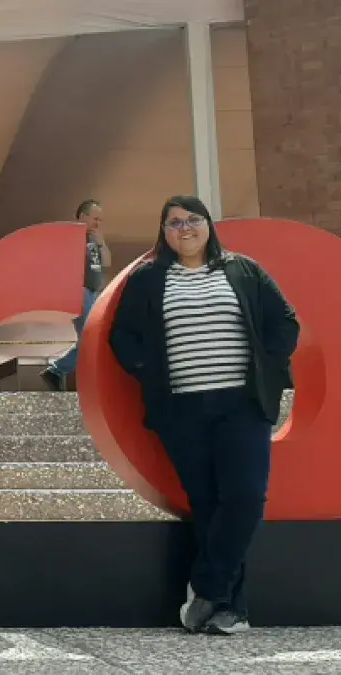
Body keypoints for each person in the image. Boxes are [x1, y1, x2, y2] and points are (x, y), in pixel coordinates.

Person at [108, 195, 299, 635]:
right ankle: (232, 611)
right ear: (163, 232)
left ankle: (207, 587)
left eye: (193, 220)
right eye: (174, 223)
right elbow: (124, 336)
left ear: (209, 225)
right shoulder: (148, 279)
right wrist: (147, 371)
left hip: (242, 406)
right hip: (182, 409)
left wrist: (266, 367)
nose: (185, 228)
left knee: (246, 497)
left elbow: (284, 321)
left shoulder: (243, 270)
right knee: (208, 505)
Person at [41, 199, 110, 391]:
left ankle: (57, 371)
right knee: (91, 337)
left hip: (93, 292)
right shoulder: (72, 237)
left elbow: (107, 262)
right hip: (80, 290)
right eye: (95, 218)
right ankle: (57, 369)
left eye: (100, 219)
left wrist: (101, 243)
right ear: (83, 217)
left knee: (93, 340)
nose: (98, 223)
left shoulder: (95, 240)